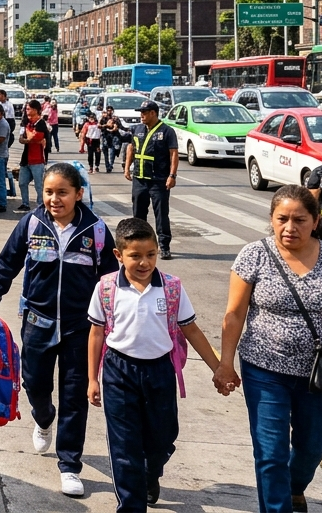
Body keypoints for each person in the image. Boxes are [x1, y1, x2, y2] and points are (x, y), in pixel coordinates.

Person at [214, 185, 322, 513]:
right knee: (270, 452)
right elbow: (234, 313)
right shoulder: (254, 255)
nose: (289, 227)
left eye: (299, 219)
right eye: (282, 219)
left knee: (313, 446)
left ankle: (296, 487)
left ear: (315, 221)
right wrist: (225, 363)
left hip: (317, 374)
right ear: (271, 219)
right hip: (263, 370)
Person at [0, 162, 118, 498]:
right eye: (48, 192)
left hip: (81, 328)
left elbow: (112, 281)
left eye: (62, 192)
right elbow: (7, 262)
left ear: (78, 194)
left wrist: (116, 318)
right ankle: (43, 418)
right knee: (35, 384)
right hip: (37, 322)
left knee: (76, 396)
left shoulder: (96, 231)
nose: (54, 199)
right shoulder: (31, 223)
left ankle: (70, 465)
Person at [86, 217, 226, 511]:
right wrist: (93, 379)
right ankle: (131, 505)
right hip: (118, 371)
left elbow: (191, 330)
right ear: (118, 255)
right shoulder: (107, 288)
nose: (144, 262)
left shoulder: (172, 288)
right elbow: (97, 332)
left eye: (150, 254)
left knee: (162, 438)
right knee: (124, 447)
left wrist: (219, 368)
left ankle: (151, 471)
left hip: (159, 371)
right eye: (135, 255)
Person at [123, 100, 179, 260]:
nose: (141, 115)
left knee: (161, 214)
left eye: (144, 112)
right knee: (138, 214)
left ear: (153, 113)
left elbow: (173, 153)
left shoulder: (167, 131)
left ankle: (164, 246)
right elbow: (131, 148)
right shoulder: (138, 129)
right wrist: (127, 168)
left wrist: (172, 175)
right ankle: (138, 243)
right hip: (139, 179)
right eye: (141, 112)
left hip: (159, 180)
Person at [16, 100, 50, 213]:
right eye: (26, 109)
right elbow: (22, 138)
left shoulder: (40, 123)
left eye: (28, 109)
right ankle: (25, 203)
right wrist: (27, 137)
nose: (26, 111)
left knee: (39, 185)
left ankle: (41, 205)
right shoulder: (28, 123)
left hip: (37, 159)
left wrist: (27, 137)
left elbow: (33, 138)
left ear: (35, 110)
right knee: (22, 182)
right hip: (26, 159)